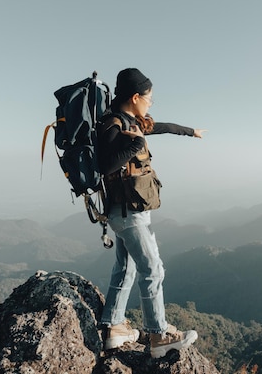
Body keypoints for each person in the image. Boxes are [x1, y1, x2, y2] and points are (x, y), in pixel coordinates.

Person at [98, 67, 206, 358]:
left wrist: (190, 131)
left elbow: (162, 127)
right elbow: (105, 166)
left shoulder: (132, 120)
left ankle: (114, 327)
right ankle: (158, 335)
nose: (150, 103)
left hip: (130, 211)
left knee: (126, 268)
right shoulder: (113, 125)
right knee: (152, 269)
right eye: (149, 98)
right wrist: (136, 144)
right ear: (135, 97)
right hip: (127, 213)